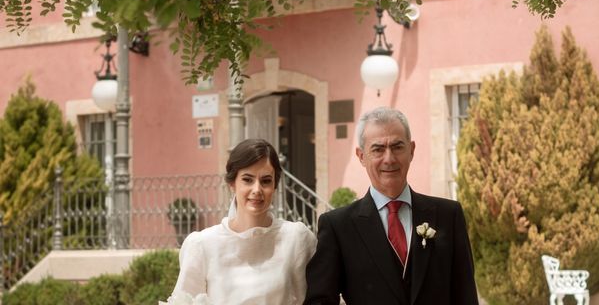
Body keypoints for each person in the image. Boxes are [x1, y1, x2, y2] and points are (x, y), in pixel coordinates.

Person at [304, 107, 478, 305]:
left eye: (397, 147)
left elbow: (465, 296)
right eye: (378, 149)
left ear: (411, 150)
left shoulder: (448, 216)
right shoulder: (338, 227)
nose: (389, 158)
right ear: (361, 156)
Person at [164, 138, 317, 304]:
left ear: (274, 186)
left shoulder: (296, 238)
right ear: (232, 183)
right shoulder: (202, 245)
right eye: (247, 179)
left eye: (265, 181)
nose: (257, 189)